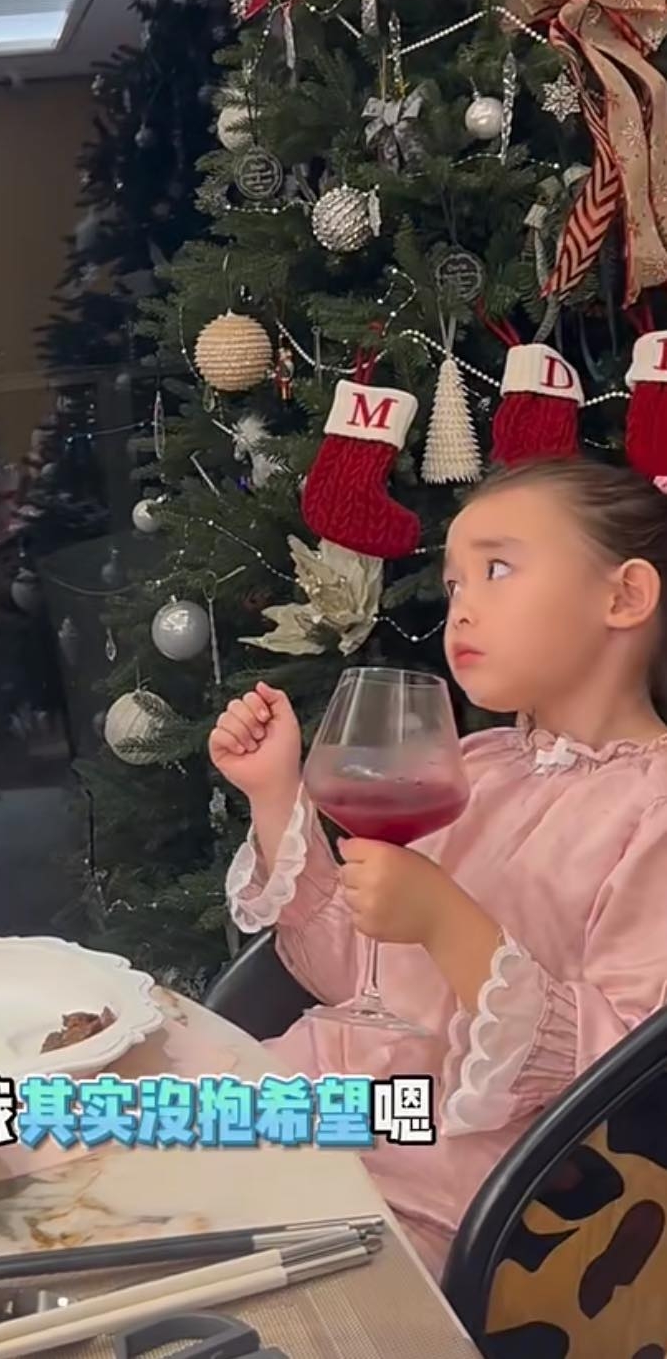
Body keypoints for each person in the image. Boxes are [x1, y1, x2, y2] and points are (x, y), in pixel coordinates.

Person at [211, 456, 667, 1280]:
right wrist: (277, 797)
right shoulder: (473, 763)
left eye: (498, 570)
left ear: (625, 596)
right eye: (454, 583)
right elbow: (348, 977)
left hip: (434, 1190)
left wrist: (448, 923)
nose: (462, 607)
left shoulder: (654, 808)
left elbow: (623, 1082)